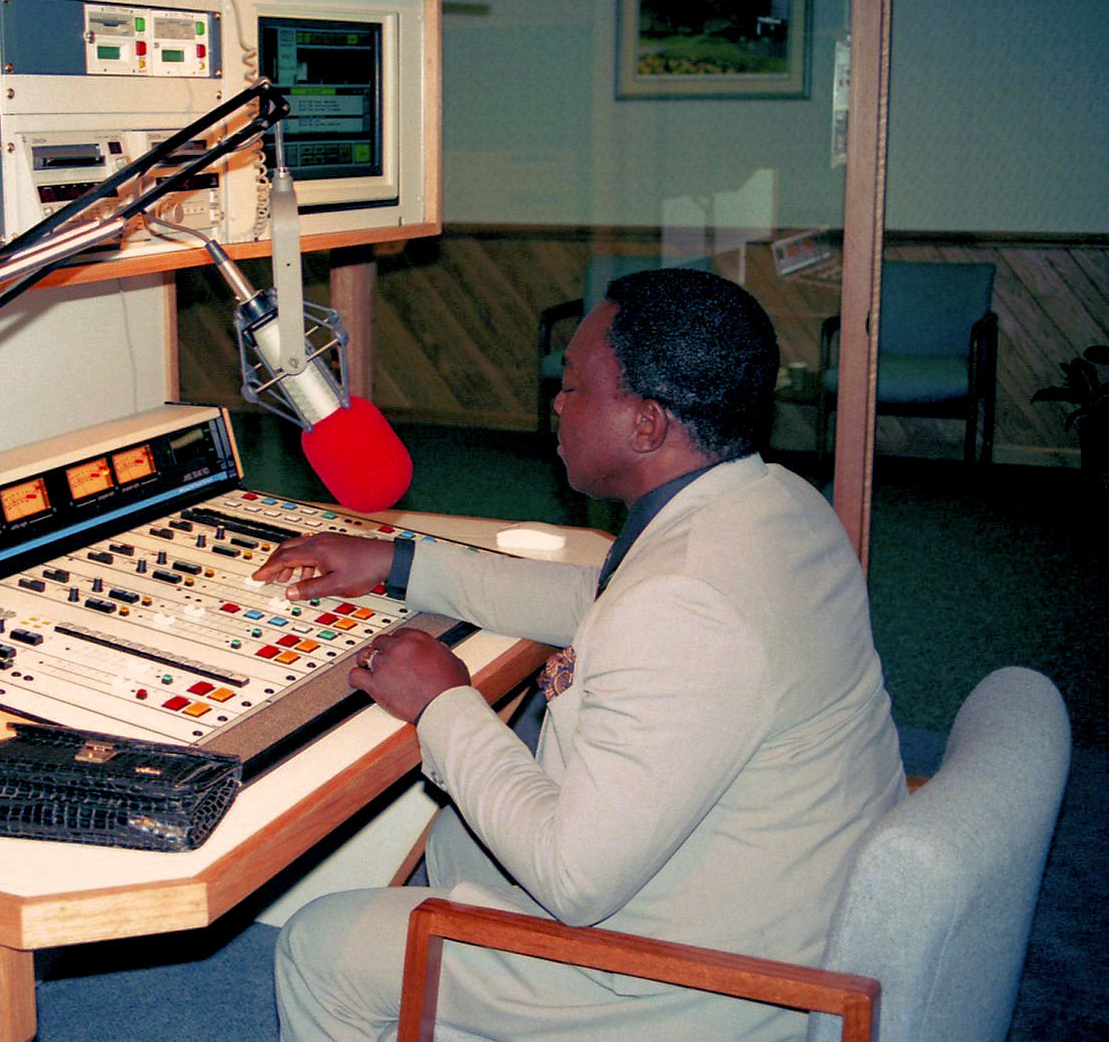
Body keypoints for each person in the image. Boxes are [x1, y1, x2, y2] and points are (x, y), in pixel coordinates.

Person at [256, 268, 904, 1041]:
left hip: (701, 986)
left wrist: (443, 702)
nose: (558, 404)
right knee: (458, 834)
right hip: (782, 901)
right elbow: (601, 595)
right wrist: (400, 561)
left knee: (320, 946)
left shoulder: (686, 603)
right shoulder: (775, 502)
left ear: (647, 424)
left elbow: (573, 879)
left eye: (574, 386)